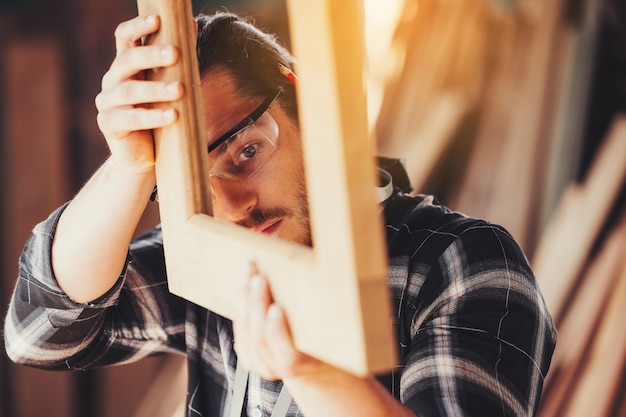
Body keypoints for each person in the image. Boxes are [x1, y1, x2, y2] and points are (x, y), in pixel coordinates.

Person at [3, 11, 556, 417]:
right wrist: (130, 168)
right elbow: (37, 334)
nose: (235, 207)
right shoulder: (214, 254)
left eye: (246, 151)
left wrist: (309, 371)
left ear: (306, 108)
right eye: (196, 184)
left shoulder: (466, 266)